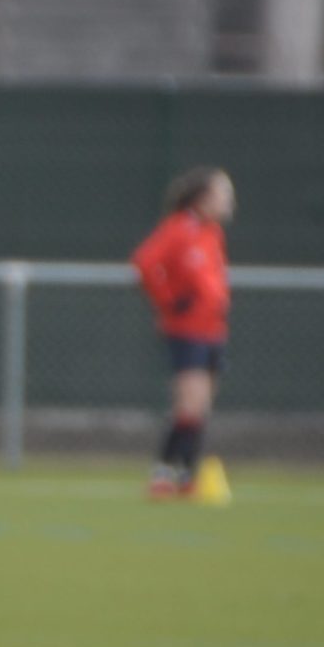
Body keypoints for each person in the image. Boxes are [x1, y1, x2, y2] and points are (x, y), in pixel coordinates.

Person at [131, 168, 234, 498]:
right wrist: (169, 301)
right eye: (222, 194)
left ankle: (187, 475)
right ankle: (163, 472)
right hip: (186, 330)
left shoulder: (212, 233)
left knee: (201, 406)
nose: (229, 202)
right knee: (189, 404)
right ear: (202, 198)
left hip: (213, 330)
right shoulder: (179, 229)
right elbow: (145, 263)